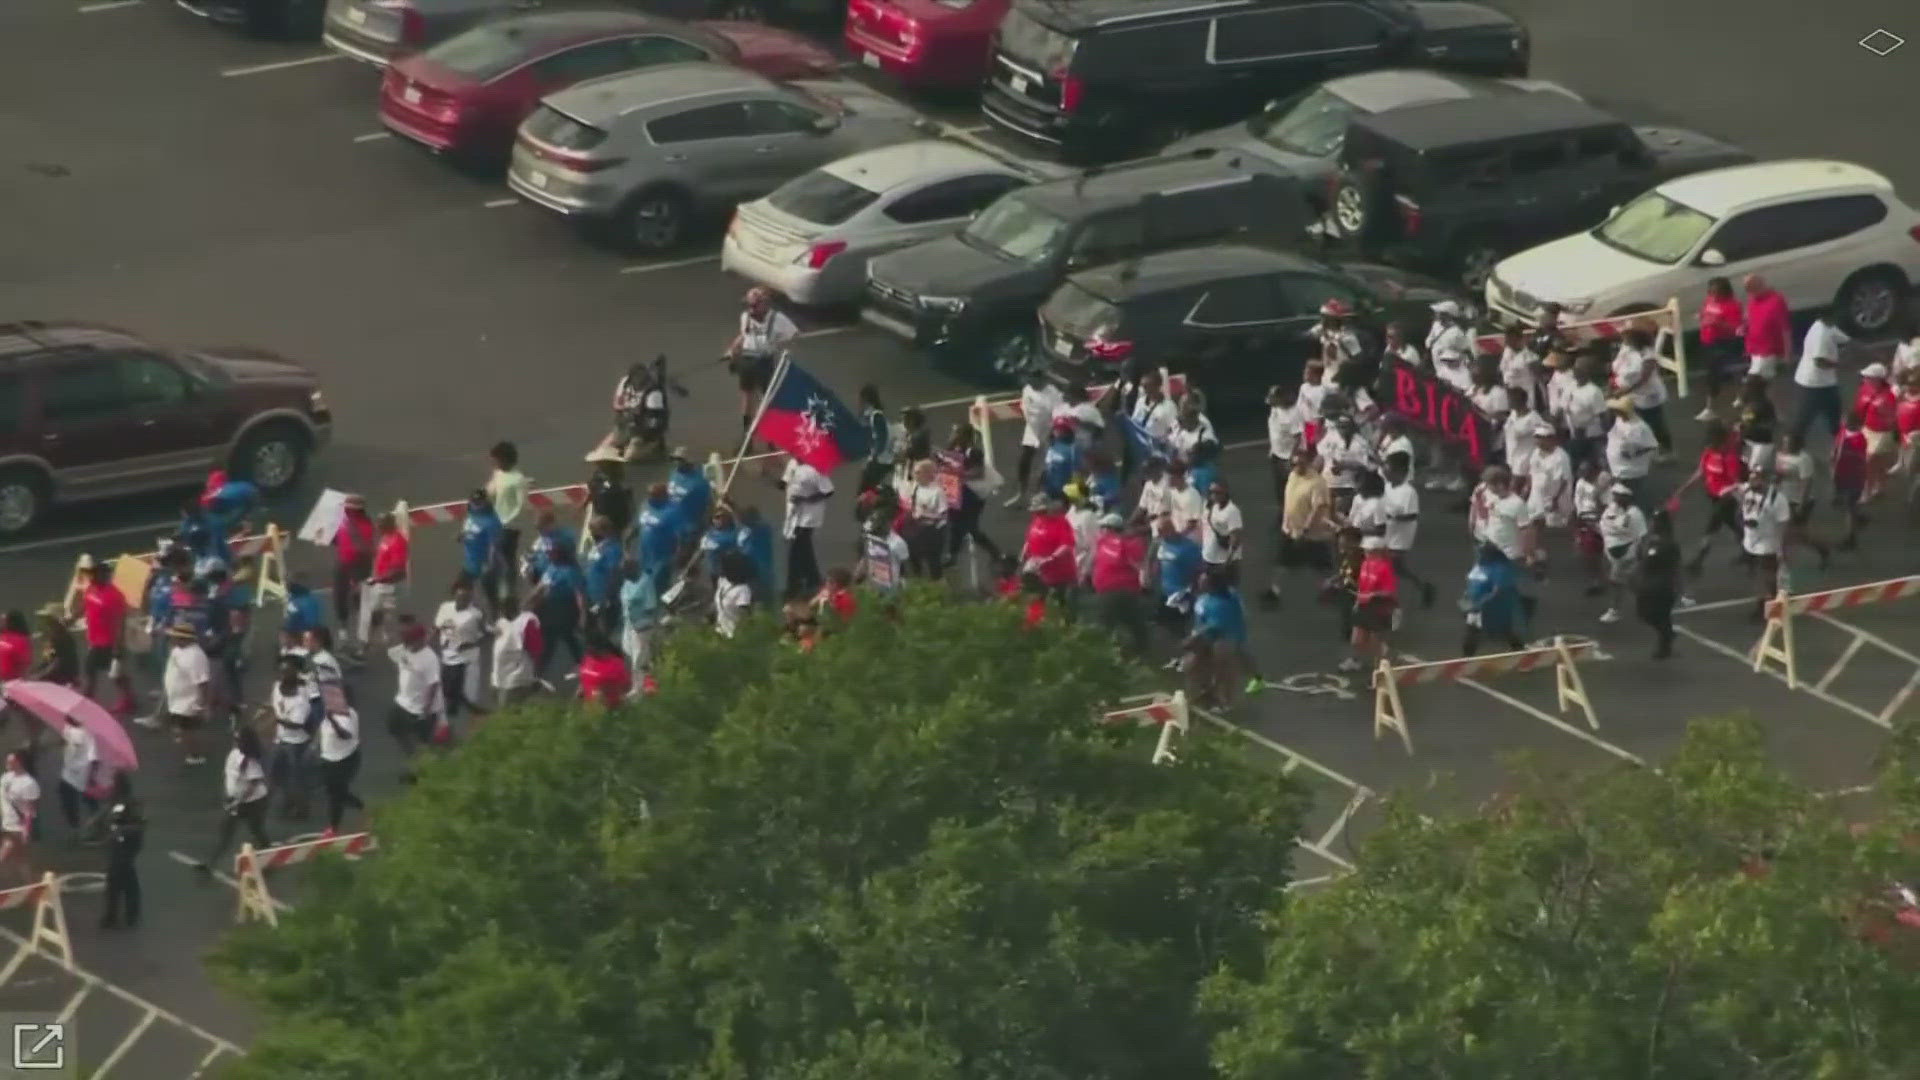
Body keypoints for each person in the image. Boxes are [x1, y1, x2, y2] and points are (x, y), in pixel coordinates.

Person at [1676, 420, 1746, 576]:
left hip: (1727, 499)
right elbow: (1700, 472)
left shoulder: (1729, 458)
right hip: (1713, 497)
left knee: (1712, 527)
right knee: (1734, 526)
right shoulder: (1708, 452)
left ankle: (1698, 560)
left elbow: (1737, 483)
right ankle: (1749, 551)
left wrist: (1732, 496)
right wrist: (1683, 490)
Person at [197, 727, 270, 872]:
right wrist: (228, 795)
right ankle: (210, 863)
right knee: (225, 831)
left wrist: (238, 800)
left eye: (237, 739)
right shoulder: (233, 754)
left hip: (253, 803)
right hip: (237, 801)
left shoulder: (249, 760)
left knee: (256, 830)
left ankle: (267, 856)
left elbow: (253, 784)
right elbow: (229, 776)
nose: (235, 742)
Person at [727, 286, 797, 439]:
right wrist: (732, 350)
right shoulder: (745, 317)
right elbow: (743, 335)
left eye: (754, 305)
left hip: (764, 361)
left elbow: (793, 335)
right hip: (747, 359)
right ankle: (747, 434)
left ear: (765, 304)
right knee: (747, 395)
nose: (750, 308)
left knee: (767, 398)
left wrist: (777, 346)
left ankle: (771, 433)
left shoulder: (778, 319)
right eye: (749, 305)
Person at [1187, 569, 1260, 703]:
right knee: (1197, 665)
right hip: (1217, 636)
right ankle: (1207, 691)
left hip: (1224, 638)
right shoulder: (1216, 595)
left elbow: (1213, 625)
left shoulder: (1217, 604)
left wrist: (1194, 637)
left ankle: (1226, 700)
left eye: (1203, 581)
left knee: (1224, 669)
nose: (1199, 582)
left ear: (1211, 585)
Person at [1737, 465, 1794, 619]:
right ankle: (1776, 598)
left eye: (1758, 476)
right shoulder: (1746, 490)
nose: (1753, 478)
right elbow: (1737, 501)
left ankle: (1767, 606)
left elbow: (1784, 525)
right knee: (1758, 575)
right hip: (1750, 542)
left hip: (1767, 545)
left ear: (1765, 479)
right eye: (1752, 475)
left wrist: (1782, 549)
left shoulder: (1777, 499)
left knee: (1766, 577)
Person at [943, 422, 1003, 567]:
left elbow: (978, 472)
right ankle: (952, 555)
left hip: (972, 495)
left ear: (965, 436)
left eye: (957, 433)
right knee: (955, 526)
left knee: (970, 527)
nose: (954, 435)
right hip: (958, 493)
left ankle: (995, 552)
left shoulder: (973, 452)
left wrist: (961, 475)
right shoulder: (955, 449)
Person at [265, 655, 317, 820]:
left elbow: (297, 724)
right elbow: (274, 705)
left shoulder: (301, 700)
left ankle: (302, 810)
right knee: (276, 774)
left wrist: (277, 720)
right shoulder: (277, 687)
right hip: (280, 740)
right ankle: (288, 801)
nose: (282, 675)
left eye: (286, 672)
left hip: (296, 744)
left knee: (296, 778)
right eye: (281, 671)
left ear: (295, 674)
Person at [79, 561, 133, 715]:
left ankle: (90, 699)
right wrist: (72, 618)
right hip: (94, 639)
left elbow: (120, 622)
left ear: (104, 575)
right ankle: (127, 698)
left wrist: (118, 646)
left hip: (108, 642)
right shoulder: (91, 589)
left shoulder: (114, 596)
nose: (91, 577)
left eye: (94, 574)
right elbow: (85, 605)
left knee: (114, 674)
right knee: (92, 670)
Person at [387, 619, 443, 767]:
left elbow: (434, 684)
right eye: (406, 641)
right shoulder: (404, 648)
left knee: (422, 742)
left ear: (420, 640)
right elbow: (392, 654)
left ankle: (422, 770)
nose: (407, 645)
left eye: (410, 641)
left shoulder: (430, 658)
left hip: (421, 708)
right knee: (395, 729)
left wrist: (426, 709)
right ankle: (412, 759)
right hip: (403, 702)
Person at [1089, 515, 1148, 654]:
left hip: (1122, 590)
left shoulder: (1128, 544)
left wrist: (1144, 582)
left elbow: (1139, 565)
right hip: (1105, 590)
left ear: (1111, 529)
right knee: (1124, 621)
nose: (1101, 530)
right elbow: (1095, 559)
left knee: (1121, 621)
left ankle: (1135, 652)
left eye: (1103, 527)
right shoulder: (1103, 541)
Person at [777, 455, 833, 600]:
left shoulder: (817, 468)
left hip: (808, 516)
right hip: (793, 514)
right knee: (802, 548)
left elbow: (828, 491)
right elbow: (784, 483)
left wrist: (805, 499)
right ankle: (812, 579)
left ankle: (794, 584)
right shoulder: (792, 463)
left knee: (796, 548)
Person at [1791, 308, 1849, 450]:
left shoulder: (1826, 326)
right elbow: (1819, 361)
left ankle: (1839, 440)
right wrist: (1840, 364)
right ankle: (1792, 447)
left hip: (1824, 382)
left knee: (1833, 410)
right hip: (1814, 383)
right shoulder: (1821, 334)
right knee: (1805, 417)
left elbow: (1844, 339)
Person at [1611, 325, 1671, 456]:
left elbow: (1644, 378)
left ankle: (1666, 450)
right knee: (1638, 421)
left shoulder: (1648, 355)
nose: (1623, 341)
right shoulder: (1627, 348)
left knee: (1655, 423)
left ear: (1636, 339)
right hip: (1633, 394)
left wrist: (1624, 390)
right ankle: (1648, 446)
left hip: (1649, 394)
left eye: (1626, 338)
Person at [529, 544, 588, 679]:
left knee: (556, 637)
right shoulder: (551, 568)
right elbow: (540, 588)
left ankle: (539, 670)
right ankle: (579, 661)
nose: (548, 555)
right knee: (563, 636)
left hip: (565, 607)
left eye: (551, 553)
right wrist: (527, 602)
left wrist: (582, 614)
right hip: (550, 607)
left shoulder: (570, 572)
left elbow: (579, 594)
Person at [433, 578, 488, 721]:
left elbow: (485, 634)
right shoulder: (445, 607)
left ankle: (461, 711)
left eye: (467, 598)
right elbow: (437, 627)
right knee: (446, 688)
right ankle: (457, 703)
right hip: (447, 654)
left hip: (465, 657)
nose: (463, 601)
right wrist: (430, 642)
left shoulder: (476, 614)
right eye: (461, 598)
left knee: (458, 687)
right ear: (454, 595)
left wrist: (472, 643)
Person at [93, 773, 143, 929]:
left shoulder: (131, 804)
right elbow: (103, 818)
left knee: (123, 882)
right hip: (114, 847)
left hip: (125, 848)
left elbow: (138, 827)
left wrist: (120, 830)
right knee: (120, 882)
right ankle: (120, 915)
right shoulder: (113, 803)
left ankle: (121, 915)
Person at [1342, 537, 1398, 674]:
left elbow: (1389, 592)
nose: (1366, 553)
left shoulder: (1385, 568)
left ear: (1377, 552)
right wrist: (1358, 601)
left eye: (1368, 551)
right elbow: (1362, 585)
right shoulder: (1366, 564)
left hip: (1379, 609)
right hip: (1363, 606)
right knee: (1356, 640)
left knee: (1375, 643)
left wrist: (1372, 595)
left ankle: (1380, 671)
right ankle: (1355, 661)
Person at [1460, 544, 1526, 656]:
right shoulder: (1478, 566)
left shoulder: (1500, 568)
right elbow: (1471, 581)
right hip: (1475, 606)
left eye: (1482, 553)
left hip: (1493, 607)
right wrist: (1466, 597)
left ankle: (1520, 652)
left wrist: (1482, 603)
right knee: (1473, 631)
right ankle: (1466, 658)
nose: (1479, 555)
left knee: (1503, 631)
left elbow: (1498, 591)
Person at [1635, 509, 1682, 660]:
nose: (1652, 524)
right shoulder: (1651, 540)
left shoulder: (1668, 543)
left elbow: (1674, 567)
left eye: (1656, 521)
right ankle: (1667, 636)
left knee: (1659, 616)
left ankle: (1665, 645)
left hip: (1662, 585)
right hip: (1649, 583)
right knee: (1647, 614)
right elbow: (1642, 558)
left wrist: (1678, 588)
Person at [359, 512, 409, 653]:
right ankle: (367, 644)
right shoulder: (386, 537)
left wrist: (376, 579)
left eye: (380, 523)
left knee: (389, 618)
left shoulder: (397, 542)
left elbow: (398, 571)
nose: (377, 525)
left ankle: (396, 647)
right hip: (381, 584)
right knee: (375, 613)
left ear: (389, 524)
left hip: (390, 588)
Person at [331, 494, 376, 650]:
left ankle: (363, 638)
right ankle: (343, 633)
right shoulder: (343, 521)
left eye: (348, 509)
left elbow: (365, 549)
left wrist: (357, 579)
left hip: (358, 568)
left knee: (359, 602)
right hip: (343, 565)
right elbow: (338, 539)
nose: (345, 510)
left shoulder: (365, 525)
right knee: (340, 597)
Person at [161, 622, 211, 765]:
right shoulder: (177, 649)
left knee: (187, 729)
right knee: (181, 725)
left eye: (174, 637)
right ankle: (183, 737)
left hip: (188, 701)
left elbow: (203, 683)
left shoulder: (195, 657)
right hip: (176, 699)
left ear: (184, 639)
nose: (171, 639)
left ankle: (194, 755)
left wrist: (203, 705)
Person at [1597, 485, 1648, 624]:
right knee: (1632, 583)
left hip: (1626, 554)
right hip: (1610, 553)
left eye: (1618, 495)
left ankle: (1614, 611)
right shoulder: (1612, 508)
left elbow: (1642, 537)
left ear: (1627, 497)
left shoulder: (1635, 514)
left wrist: (1642, 557)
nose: (1614, 497)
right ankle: (1648, 601)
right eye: (1614, 494)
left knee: (1616, 582)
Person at [486, 441, 531, 593]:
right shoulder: (498, 474)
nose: (494, 463)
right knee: (494, 560)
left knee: (505, 560)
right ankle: (500, 589)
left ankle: (509, 590)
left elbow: (521, 505)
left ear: (505, 459)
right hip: (495, 524)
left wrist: (505, 522)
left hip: (509, 527)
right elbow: (490, 491)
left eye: (496, 459)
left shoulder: (518, 479)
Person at [1696, 276, 1744, 418]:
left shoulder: (1733, 305)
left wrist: (1717, 323)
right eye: (1711, 292)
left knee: (1714, 375)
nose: (1713, 295)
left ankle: (1710, 408)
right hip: (1707, 341)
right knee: (1728, 372)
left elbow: (1735, 327)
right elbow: (1704, 312)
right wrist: (1701, 316)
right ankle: (1741, 395)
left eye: (1716, 292)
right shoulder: (1709, 300)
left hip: (1723, 342)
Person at [1021, 493, 1079, 603]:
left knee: (1059, 601)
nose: (1038, 514)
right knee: (1036, 599)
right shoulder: (1037, 520)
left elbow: (1067, 545)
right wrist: (1025, 550)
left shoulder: (1061, 522)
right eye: (1036, 511)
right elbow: (1030, 537)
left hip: (1059, 571)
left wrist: (1051, 558)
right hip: (1039, 569)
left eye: (1041, 511)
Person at [316, 705, 364, 838]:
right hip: (330, 758)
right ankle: (359, 806)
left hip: (342, 760)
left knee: (335, 796)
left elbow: (345, 735)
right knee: (335, 793)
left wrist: (332, 719)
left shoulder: (346, 717)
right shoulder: (331, 711)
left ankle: (334, 827)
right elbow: (322, 728)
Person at [1856, 362, 1898, 500]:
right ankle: (1879, 487)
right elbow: (1859, 408)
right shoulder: (1864, 389)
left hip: (1882, 434)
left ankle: (1867, 491)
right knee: (1878, 464)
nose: (1865, 379)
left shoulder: (1889, 396)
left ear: (1878, 379)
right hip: (1867, 429)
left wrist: (1886, 416)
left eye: (1869, 377)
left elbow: (1892, 419)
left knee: (1870, 461)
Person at [901, 459, 950, 579]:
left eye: (918, 472)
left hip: (932, 531)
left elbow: (943, 515)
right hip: (916, 527)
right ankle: (918, 578)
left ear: (927, 474)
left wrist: (925, 516)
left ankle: (937, 584)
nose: (914, 475)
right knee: (912, 554)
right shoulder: (915, 487)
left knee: (933, 560)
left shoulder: (937, 492)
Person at [1604, 399, 1658, 506]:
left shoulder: (1640, 427)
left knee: (1633, 497)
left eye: (1618, 410)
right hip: (1617, 468)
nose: (1616, 412)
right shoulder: (1619, 420)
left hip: (1630, 471)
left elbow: (1652, 446)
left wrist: (1635, 454)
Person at [490, 595, 542, 706]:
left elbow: (535, 649)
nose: (504, 613)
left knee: (512, 710)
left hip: (517, 677)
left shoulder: (526, 622)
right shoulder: (501, 622)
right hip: (500, 677)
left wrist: (534, 673)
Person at [618, 559, 660, 689]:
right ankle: (641, 683)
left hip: (642, 626)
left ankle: (639, 688)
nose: (624, 575)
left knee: (639, 659)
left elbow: (651, 607)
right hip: (629, 625)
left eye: (626, 571)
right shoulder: (627, 583)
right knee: (630, 654)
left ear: (634, 569)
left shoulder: (645, 582)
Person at [55, 715, 98, 840]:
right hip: (68, 773)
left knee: (83, 800)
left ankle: (91, 824)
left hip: (82, 774)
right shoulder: (68, 729)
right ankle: (77, 827)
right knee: (69, 801)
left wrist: (91, 776)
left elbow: (93, 757)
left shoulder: (87, 734)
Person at [1832, 410, 1869, 551]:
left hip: (1853, 477)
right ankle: (1858, 517)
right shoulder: (1843, 431)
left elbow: (1859, 460)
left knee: (1849, 506)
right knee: (1847, 502)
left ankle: (1850, 538)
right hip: (1840, 473)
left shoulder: (1859, 440)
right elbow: (1837, 444)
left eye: (1846, 420)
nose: (1843, 422)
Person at [0, 751, 38, 885]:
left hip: (17, 828)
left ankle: (33, 887)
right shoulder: (6, 777)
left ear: (19, 762)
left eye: (10, 761)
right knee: (20, 860)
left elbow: (29, 809)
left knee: (3, 856)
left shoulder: (28, 783)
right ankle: (33, 887)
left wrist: (26, 830)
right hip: (6, 824)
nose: (7, 763)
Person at [1743, 274, 1790, 380]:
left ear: (1761, 286)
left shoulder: (1776, 301)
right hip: (1754, 349)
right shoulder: (1753, 300)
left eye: (1753, 289)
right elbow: (1749, 320)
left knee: (1753, 382)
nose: (1751, 293)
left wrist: (1787, 353)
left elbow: (1785, 328)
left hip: (1768, 351)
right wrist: (1744, 327)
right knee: (1759, 387)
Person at [583, 516, 625, 632]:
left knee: (605, 630)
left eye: (594, 530)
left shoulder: (613, 549)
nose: (591, 533)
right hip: (592, 597)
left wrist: (607, 597)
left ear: (604, 531)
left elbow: (614, 574)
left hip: (604, 600)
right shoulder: (597, 546)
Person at [1266, 384, 1306, 503]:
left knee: (1291, 487)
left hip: (1287, 456)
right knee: (1279, 487)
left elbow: (1298, 437)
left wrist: (1291, 457)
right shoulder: (1275, 408)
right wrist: (1272, 449)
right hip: (1276, 453)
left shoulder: (1293, 414)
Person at [1734, 373, 1778, 476]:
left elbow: (1770, 424)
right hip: (1748, 441)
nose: (1744, 388)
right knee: (1744, 470)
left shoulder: (1761, 404)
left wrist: (1743, 426)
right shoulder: (1750, 401)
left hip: (1761, 444)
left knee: (1754, 473)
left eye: (1747, 386)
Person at [1200, 481, 1244, 584]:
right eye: (1211, 492)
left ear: (1225, 493)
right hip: (1210, 557)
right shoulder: (1213, 507)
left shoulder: (1232, 511)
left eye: (1218, 492)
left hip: (1224, 561)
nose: (1214, 495)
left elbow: (1235, 538)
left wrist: (1227, 562)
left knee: (1228, 591)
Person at [586, 460, 635, 546]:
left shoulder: (613, 478)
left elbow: (610, 488)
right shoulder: (597, 476)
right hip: (603, 510)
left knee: (614, 540)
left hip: (614, 514)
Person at [577, 632, 631, 707]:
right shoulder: (589, 659)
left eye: (591, 649)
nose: (589, 652)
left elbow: (626, 686)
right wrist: (581, 688)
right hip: (589, 705)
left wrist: (606, 690)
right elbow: (584, 676)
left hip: (609, 706)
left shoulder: (615, 664)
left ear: (602, 649)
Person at [713, 550, 756, 639]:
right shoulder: (722, 581)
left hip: (733, 636)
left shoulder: (743, 590)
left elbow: (745, 616)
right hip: (719, 633)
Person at [1039, 417, 1079, 501]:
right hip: (1050, 489)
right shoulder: (1051, 447)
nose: (1059, 431)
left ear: (1068, 431)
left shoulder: (1073, 449)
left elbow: (1076, 472)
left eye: (1062, 429)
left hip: (1066, 491)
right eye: (1057, 429)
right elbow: (1046, 469)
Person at [0, 611, 30, 683]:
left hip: (11, 682)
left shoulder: (20, 640)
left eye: (4, 620)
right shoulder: (4, 637)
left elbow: (23, 664)